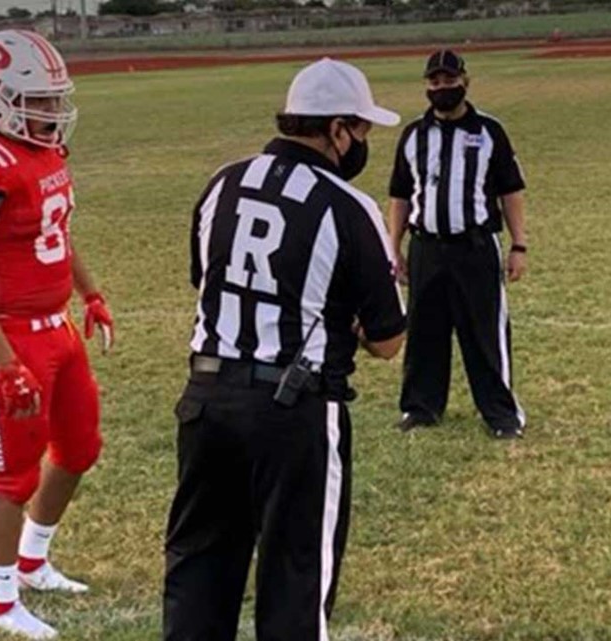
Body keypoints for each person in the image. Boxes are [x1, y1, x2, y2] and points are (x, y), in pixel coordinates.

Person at [163, 58, 406, 640]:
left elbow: (209, 279)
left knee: (199, 568)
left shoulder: (222, 181)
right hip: (292, 409)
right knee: (296, 579)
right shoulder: (350, 207)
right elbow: (389, 340)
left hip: (206, 398)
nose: (363, 144)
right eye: (362, 131)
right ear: (337, 129)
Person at [0, 30, 114, 640]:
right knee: (11, 477)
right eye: (40, 101)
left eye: (56, 100)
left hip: (55, 329)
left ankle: (33, 562)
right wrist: (6, 363)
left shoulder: (45, 155)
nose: (53, 113)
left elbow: (55, 236)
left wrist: (91, 293)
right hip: (3, 339)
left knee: (80, 448)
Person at [387, 49, 528, 439]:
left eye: (449, 81)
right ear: (426, 85)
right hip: (426, 247)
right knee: (424, 331)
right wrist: (392, 247)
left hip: (475, 246)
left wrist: (519, 245)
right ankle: (421, 407)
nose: (442, 88)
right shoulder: (413, 135)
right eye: (435, 82)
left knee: (484, 333)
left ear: (465, 81)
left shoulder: (488, 132)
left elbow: (511, 191)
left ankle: (501, 414)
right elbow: (399, 194)